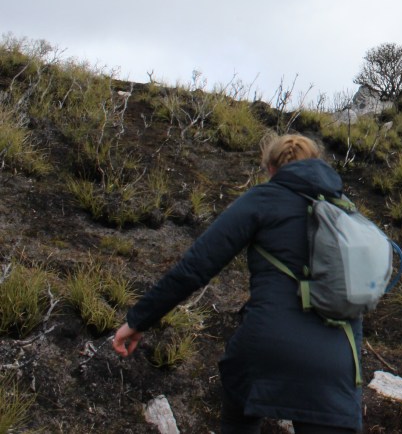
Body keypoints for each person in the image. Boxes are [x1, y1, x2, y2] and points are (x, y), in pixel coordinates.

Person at [113, 134, 362, 434]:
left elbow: (195, 267)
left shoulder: (262, 198)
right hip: (336, 361)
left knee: (238, 416)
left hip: (267, 346)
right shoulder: (348, 212)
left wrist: (139, 319)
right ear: (317, 163)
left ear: (270, 168)